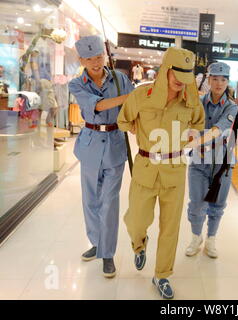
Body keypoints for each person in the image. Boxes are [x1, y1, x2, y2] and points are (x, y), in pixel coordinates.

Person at [117, 47, 205, 299]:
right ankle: (139, 243)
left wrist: (188, 137)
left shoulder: (191, 100)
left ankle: (162, 274)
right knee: (136, 219)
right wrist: (138, 129)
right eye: (177, 74)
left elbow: (198, 124)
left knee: (170, 227)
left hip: (174, 170)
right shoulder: (141, 95)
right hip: (145, 167)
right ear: (165, 69)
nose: (181, 82)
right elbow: (123, 120)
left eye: (187, 76)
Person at [68, 35, 134, 277]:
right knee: (90, 201)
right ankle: (96, 243)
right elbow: (98, 106)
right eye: (89, 59)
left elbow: (133, 109)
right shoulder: (77, 84)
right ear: (81, 60)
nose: (95, 63)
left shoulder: (121, 79)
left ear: (104, 56)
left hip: (115, 146)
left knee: (109, 202)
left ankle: (107, 254)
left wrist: (134, 118)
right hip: (90, 145)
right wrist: (129, 98)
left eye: (98, 57)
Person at [185, 62, 238, 258]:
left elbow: (219, 129)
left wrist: (195, 140)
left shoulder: (232, 107)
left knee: (217, 203)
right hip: (199, 160)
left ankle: (211, 239)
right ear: (208, 80)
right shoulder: (197, 103)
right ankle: (195, 237)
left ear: (227, 82)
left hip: (222, 162)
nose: (219, 83)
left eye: (223, 79)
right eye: (215, 79)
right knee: (197, 203)